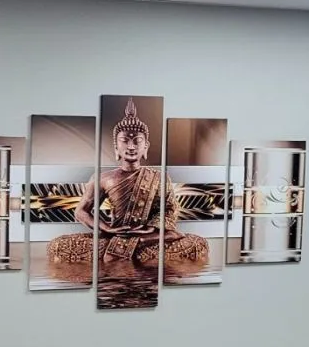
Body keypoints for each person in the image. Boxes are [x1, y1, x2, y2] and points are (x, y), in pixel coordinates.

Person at [46, 98, 209, 279]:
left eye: (137, 141)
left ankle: (140, 242)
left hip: (149, 234)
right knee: (58, 245)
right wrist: (107, 228)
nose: (131, 147)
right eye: (125, 141)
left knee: (195, 243)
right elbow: (81, 211)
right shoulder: (102, 178)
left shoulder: (159, 178)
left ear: (145, 146)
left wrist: (151, 229)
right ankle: (136, 247)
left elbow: (170, 208)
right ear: (116, 146)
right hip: (117, 233)